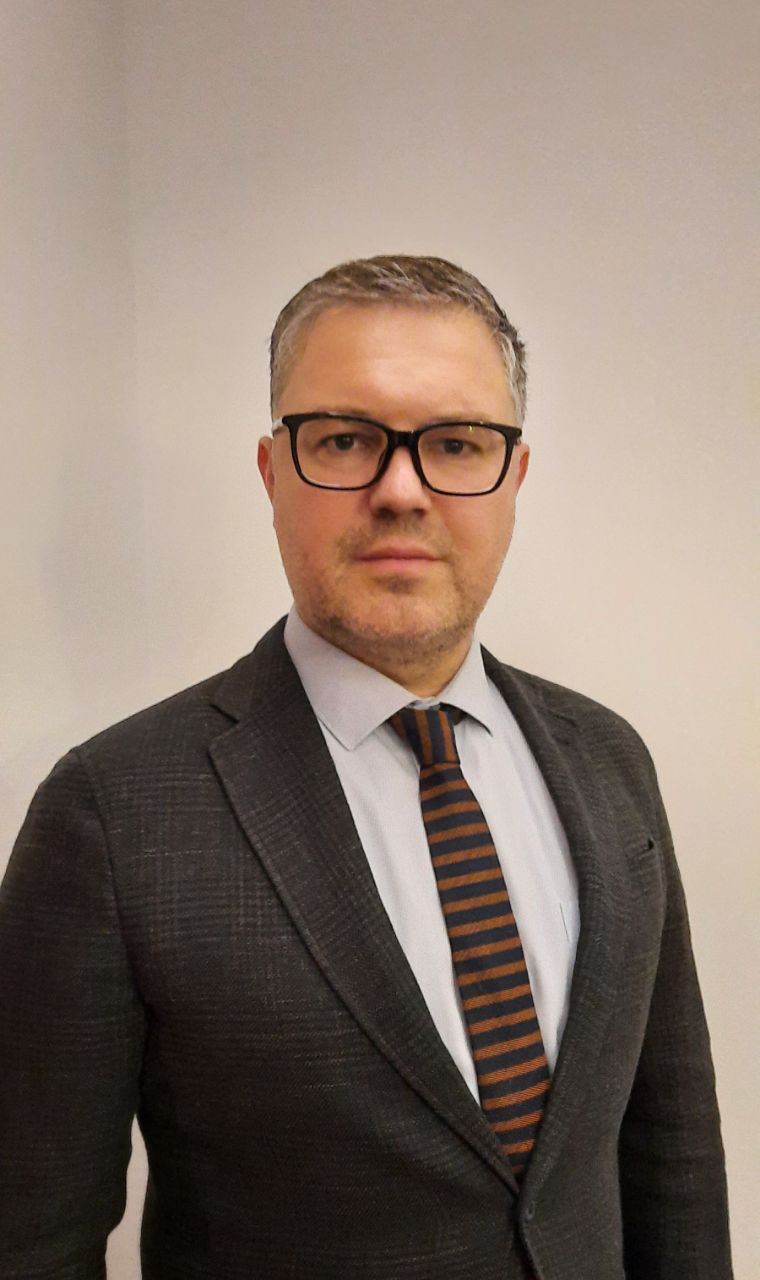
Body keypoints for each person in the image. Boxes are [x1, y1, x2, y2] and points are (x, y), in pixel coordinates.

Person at [0, 255, 732, 1279]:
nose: (400, 490)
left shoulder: (609, 758)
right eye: (344, 439)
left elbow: (673, 1160)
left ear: (514, 478)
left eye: (456, 443)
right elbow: (32, 1240)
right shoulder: (113, 814)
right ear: (272, 472)